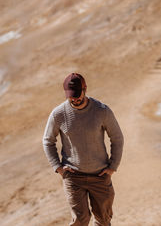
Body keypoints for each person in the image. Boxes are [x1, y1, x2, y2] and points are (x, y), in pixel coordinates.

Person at [43, 73, 124, 226]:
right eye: (71, 96)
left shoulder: (102, 111)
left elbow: (117, 138)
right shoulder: (58, 114)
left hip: (100, 175)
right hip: (73, 177)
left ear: (85, 89)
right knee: (79, 221)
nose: (75, 99)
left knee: (103, 220)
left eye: (78, 95)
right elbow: (48, 141)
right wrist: (58, 167)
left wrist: (113, 166)